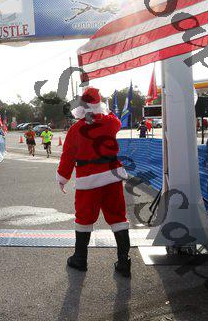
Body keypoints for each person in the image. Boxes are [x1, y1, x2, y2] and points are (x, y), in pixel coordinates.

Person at [57, 87, 131, 277]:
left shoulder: (75, 129)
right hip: (112, 178)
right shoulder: (110, 123)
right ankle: (124, 261)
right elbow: (115, 119)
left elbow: (68, 156)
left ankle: (80, 259)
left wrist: (63, 178)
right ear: (99, 106)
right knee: (118, 217)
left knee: (84, 218)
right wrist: (105, 110)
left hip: (87, 181)